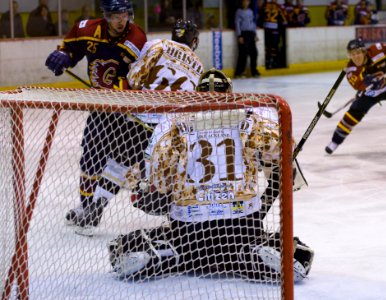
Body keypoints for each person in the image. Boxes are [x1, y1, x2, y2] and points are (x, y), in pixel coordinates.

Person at [107, 68, 314, 282]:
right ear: (230, 93)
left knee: (148, 245)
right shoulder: (253, 117)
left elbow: (159, 173)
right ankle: (249, 254)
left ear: (197, 93)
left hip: (189, 228)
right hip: (242, 225)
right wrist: (264, 158)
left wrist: (159, 191)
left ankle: (167, 255)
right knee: (299, 251)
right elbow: (284, 149)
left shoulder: (175, 120)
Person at [45, 0, 147, 233]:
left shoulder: (136, 37)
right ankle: (87, 208)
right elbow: (70, 50)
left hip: (127, 109)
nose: (121, 20)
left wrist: (117, 92)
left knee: (121, 159)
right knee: (91, 156)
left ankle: (99, 206)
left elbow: (137, 76)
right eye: (116, 16)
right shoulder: (87, 29)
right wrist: (62, 56)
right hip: (100, 106)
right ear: (106, 16)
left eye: (124, 15)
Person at [324, 39, 386, 157]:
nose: (356, 57)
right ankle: (335, 142)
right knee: (353, 114)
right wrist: (366, 84)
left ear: (364, 52)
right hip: (372, 93)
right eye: (352, 54)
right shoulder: (351, 69)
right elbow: (357, 85)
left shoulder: (378, 49)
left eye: (358, 53)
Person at [234, 0, 261, 78]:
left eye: (247, 1)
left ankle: (254, 71)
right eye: (244, 1)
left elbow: (252, 23)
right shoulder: (239, 12)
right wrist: (239, 36)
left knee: (254, 53)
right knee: (243, 53)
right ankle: (239, 72)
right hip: (243, 34)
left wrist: (255, 34)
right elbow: (237, 24)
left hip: (251, 34)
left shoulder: (250, 11)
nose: (246, 3)